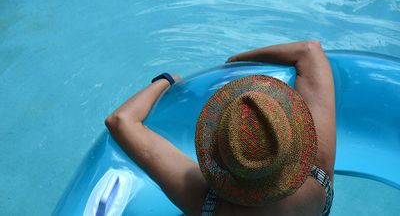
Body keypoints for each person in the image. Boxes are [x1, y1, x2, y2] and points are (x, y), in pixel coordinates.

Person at [105, 40, 336, 216]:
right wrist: (240, 58)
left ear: (216, 152)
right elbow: (310, 50)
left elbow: (121, 121)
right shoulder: (318, 177)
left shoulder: (206, 202)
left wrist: (167, 80)